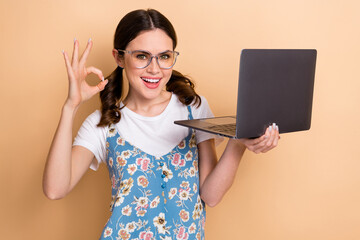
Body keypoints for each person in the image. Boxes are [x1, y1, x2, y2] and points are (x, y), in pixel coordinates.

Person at [43, 9, 279, 240]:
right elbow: (55, 189)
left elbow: (211, 195)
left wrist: (237, 143)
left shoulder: (194, 108)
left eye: (164, 56)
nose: (154, 69)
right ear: (119, 57)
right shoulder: (103, 123)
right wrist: (70, 106)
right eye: (142, 56)